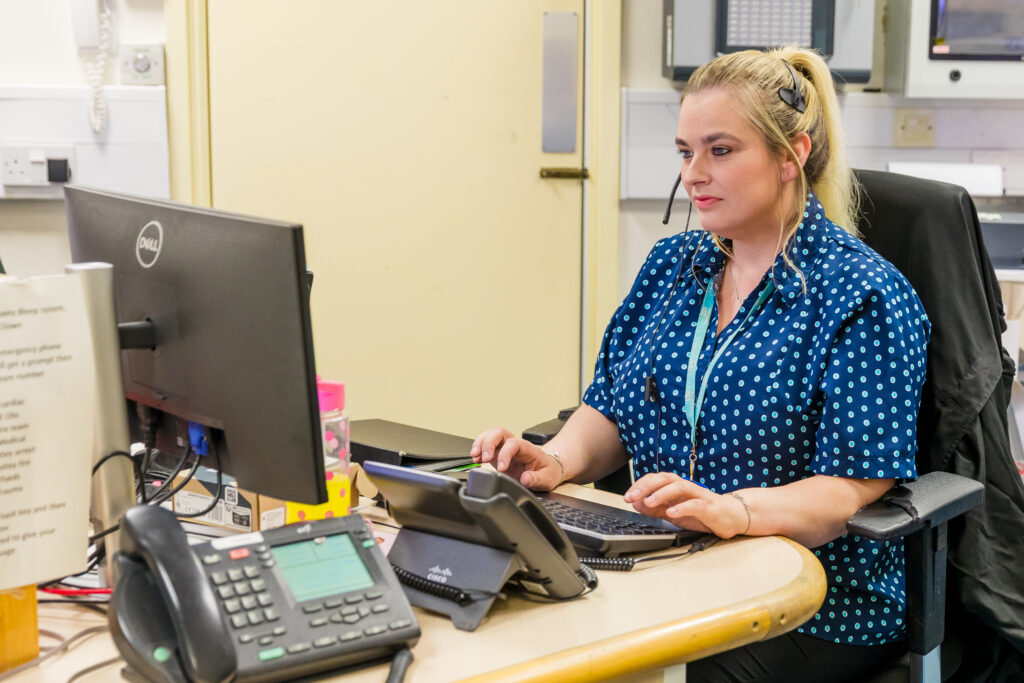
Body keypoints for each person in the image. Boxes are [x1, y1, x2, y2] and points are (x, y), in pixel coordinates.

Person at [471, 46, 931, 682]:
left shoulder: (863, 295)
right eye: (686, 152)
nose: (694, 174)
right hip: (666, 568)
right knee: (520, 639)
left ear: (791, 154)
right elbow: (612, 405)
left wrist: (736, 511)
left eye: (720, 150)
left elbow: (853, 487)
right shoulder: (673, 265)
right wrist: (556, 460)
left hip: (812, 602)